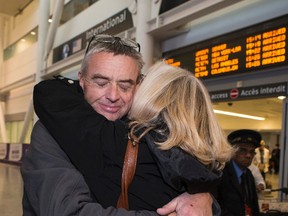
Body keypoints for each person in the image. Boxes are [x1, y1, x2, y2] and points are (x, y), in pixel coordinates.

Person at [22, 34, 231, 215]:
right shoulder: (53, 130)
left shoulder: (141, 131)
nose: (113, 96)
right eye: (101, 83)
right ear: (81, 81)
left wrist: (204, 197)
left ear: (138, 86)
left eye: (125, 85)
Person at [217, 129, 261, 216]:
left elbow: (254, 206)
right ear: (232, 151)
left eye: (252, 152)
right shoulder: (221, 173)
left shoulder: (248, 174)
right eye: (243, 150)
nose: (248, 155)